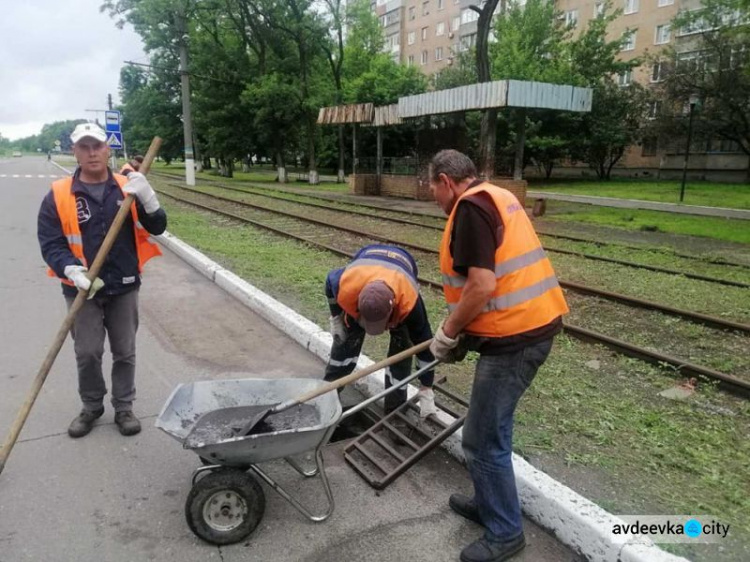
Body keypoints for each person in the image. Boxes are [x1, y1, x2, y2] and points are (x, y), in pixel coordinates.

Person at [427, 150, 568, 562]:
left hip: (517, 339)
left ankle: (505, 531)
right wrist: (470, 335)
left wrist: (449, 333)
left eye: (432, 186)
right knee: (491, 429)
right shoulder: (495, 195)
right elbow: (501, 280)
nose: (433, 195)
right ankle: (490, 503)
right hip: (522, 328)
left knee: (483, 438)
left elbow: (483, 285)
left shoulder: (469, 208)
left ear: (446, 181)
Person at [37, 123, 166, 438]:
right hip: (82, 289)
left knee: (125, 350)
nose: (92, 153)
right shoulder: (58, 195)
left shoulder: (129, 186)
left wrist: (149, 200)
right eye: (84, 147)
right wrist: (71, 270)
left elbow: (158, 226)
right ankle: (92, 406)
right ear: (74, 151)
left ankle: (124, 407)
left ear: (108, 149)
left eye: (97, 146)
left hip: (123, 284)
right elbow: (51, 242)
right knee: (88, 351)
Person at [325, 244, 437, 417]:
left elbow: (424, 345)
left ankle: (394, 413)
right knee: (345, 345)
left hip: (402, 268)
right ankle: (327, 399)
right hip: (366, 264)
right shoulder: (345, 286)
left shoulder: (409, 304)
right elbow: (328, 284)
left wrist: (426, 387)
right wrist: (336, 319)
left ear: (392, 311)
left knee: (402, 352)